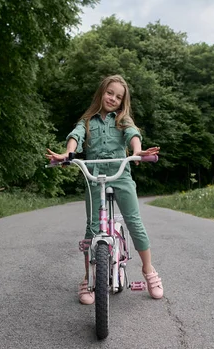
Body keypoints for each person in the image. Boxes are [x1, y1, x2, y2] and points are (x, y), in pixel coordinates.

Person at [46, 75, 163, 304]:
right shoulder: (87, 121)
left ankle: (149, 271)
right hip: (94, 175)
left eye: (118, 97)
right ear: (101, 93)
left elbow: (133, 135)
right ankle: (89, 279)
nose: (113, 99)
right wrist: (69, 155)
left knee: (134, 221)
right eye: (110, 93)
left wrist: (137, 152)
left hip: (120, 174)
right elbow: (75, 137)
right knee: (92, 227)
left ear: (122, 102)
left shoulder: (122, 119)